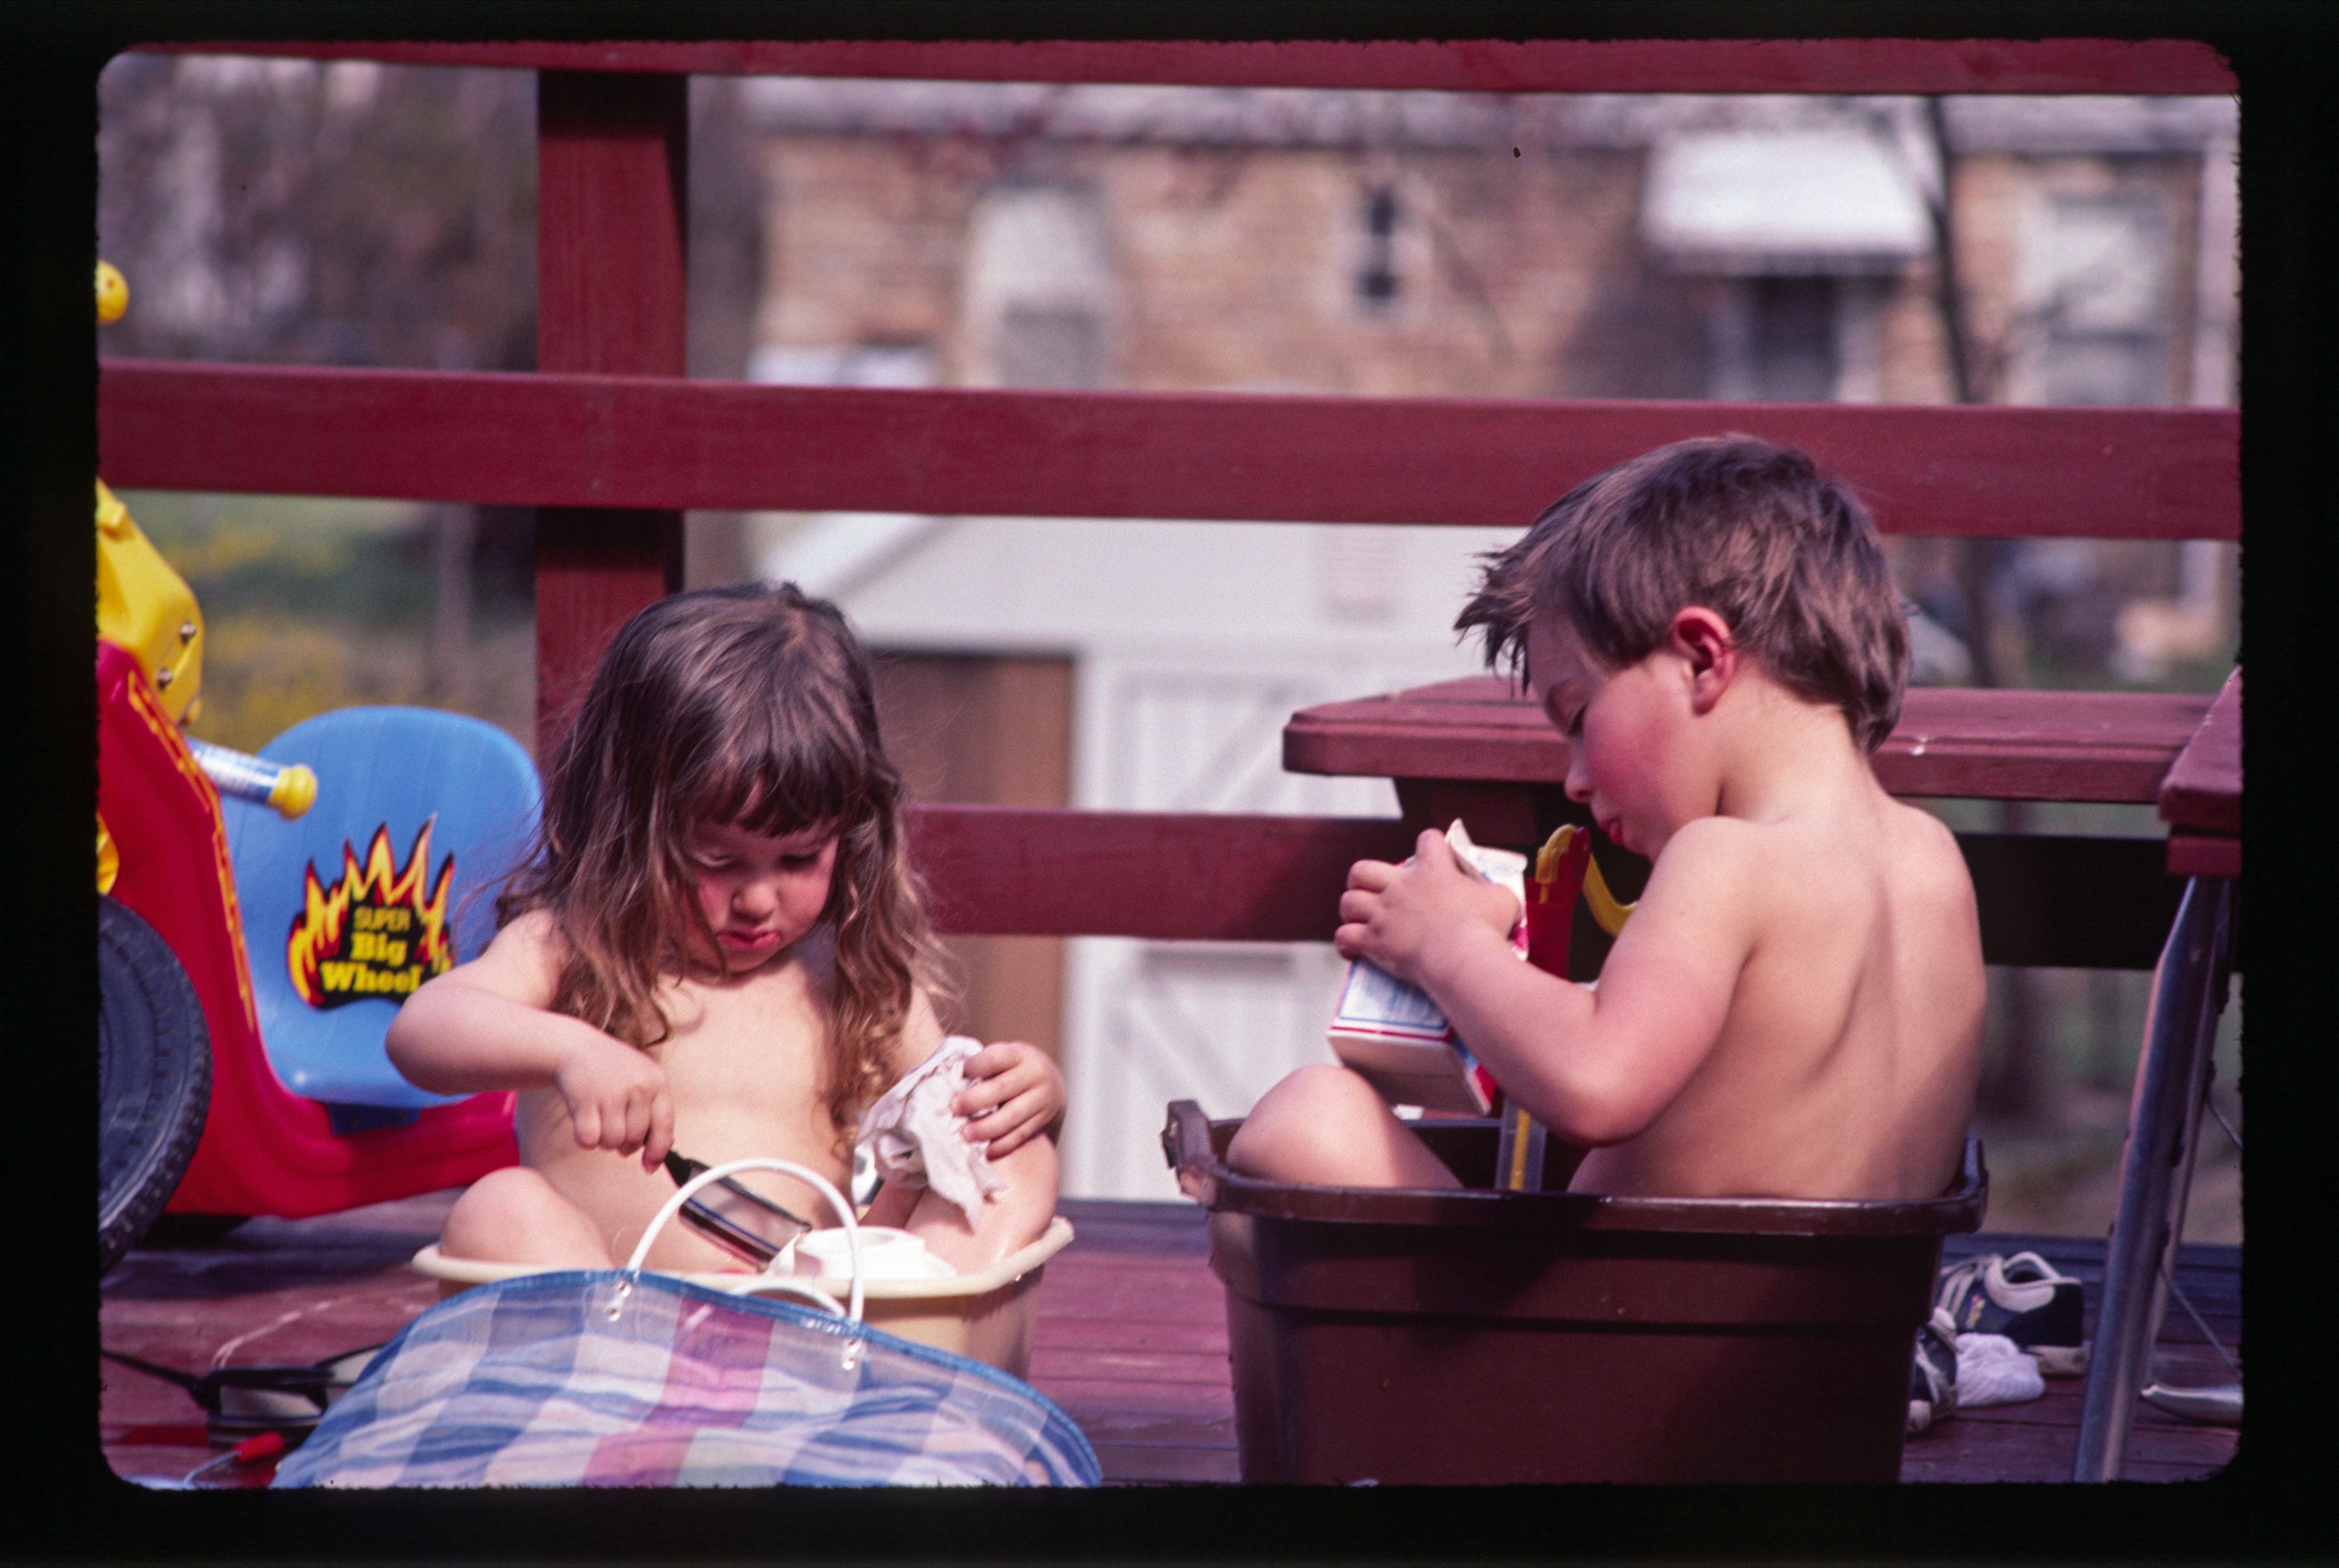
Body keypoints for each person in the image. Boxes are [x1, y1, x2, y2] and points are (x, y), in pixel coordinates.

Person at [1230, 436, 1985, 1201]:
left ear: (1700, 658)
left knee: (1310, 1116)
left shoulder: (1727, 860)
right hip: (1856, 1314)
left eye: (1580, 717)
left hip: (1632, 1315)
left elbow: (1596, 1079)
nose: (1577, 780)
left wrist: (1447, 943)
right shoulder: (1931, 858)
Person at [387, 583, 1064, 1274]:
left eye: (800, 858)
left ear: (851, 833)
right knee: (500, 1206)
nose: (757, 901)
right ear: (631, 828)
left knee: (1014, 1154)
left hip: (812, 1321)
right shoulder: (577, 946)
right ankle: (609, 1371)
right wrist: (569, 1051)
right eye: (716, 860)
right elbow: (421, 1030)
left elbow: (946, 1123)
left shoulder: (851, 973)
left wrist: (1024, 1100)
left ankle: (914, 1347)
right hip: (610, 1324)